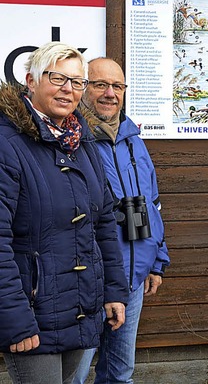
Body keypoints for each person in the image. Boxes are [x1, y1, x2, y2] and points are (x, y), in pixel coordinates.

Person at [0, 42, 128, 384]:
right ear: (31, 80)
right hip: (33, 315)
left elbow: (102, 224)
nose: (68, 89)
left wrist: (114, 291)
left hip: (80, 309)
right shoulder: (7, 144)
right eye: (57, 78)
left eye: (77, 81)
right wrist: (14, 317)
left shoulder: (82, 142)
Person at [73, 57, 170, 384]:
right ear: (84, 88)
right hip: (85, 281)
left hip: (132, 281)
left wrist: (157, 260)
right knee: (73, 375)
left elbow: (151, 205)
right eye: (100, 84)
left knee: (119, 374)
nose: (110, 93)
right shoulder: (72, 140)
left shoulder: (134, 142)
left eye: (117, 86)